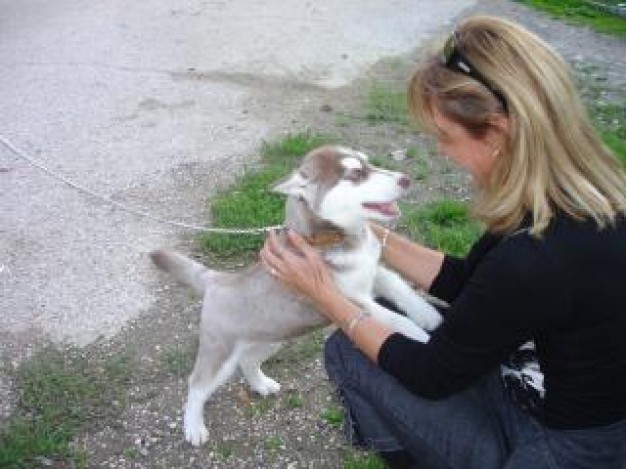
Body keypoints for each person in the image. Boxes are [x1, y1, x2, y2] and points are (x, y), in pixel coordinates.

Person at [260, 15, 626, 469]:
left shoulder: (538, 255)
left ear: (497, 131)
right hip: (552, 379)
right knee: (378, 326)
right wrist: (368, 231)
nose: (441, 152)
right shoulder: (573, 197)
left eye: (446, 137)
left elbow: (432, 375)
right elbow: (475, 283)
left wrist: (324, 294)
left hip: (574, 447)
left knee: (346, 349)